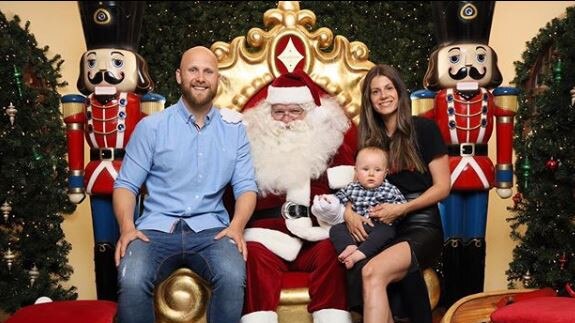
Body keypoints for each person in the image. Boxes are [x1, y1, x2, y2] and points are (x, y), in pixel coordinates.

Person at [112, 46, 258, 323]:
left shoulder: (235, 130)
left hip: (211, 231)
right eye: (193, 70)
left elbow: (246, 187)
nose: (200, 77)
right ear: (179, 76)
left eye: (208, 71)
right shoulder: (151, 127)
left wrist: (237, 227)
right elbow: (126, 185)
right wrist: (127, 227)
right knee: (131, 278)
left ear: (218, 79)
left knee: (232, 275)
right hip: (155, 229)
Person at [414, 1, 517, 305]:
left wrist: (504, 174)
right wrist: (424, 178)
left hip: (481, 170)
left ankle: (472, 297)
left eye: (479, 57)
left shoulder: (494, 96)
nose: (468, 65)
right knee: (449, 238)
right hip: (447, 169)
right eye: (456, 58)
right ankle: (449, 299)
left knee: (476, 238)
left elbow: (506, 132)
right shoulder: (433, 99)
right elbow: (422, 139)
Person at [61, 1, 163, 300]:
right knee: (103, 243)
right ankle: (107, 301)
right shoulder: (81, 103)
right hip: (97, 177)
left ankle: (134, 302)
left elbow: (155, 144)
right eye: (93, 63)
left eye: (116, 63)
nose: (103, 70)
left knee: (133, 238)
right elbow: (75, 137)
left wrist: (153, 181)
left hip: (131, 176)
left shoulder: (143, 103)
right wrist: (76, 179)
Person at [240, 71, 356, 323]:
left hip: (317, 233)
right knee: (253, 255)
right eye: (279, 112)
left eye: (295, 111)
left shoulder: (331, 144)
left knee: (332, 251)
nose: (286, 120)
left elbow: (351, 194)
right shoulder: (250, 145)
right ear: (267, 115)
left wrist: (334, 211)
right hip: (266, 235)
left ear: (310, 113)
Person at [345, 64, 450, 323]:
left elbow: (443, 187)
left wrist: (401, 209)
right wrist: (348, 213)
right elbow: (354, 187)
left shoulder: (424, 129)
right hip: (384, 228)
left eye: (389, 88)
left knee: (372, 272)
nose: (383, 96)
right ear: (369, 100)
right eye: (375, 92)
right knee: (360, 269)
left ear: (400, 92)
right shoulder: (369, 140)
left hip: (421, 225)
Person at [312, 146, 406, 269]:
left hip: (377, 226)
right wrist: (326, 199)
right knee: (336, 229)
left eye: (378, 170)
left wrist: (389, 209)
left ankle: (359, 254)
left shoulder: (390, 189)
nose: (371, 173)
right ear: (356, 171)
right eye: (365, 169)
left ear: (385, 173)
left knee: (387, 231)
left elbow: (401, 207)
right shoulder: (351, 188)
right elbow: (337, 199)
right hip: (354, 224)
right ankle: (349, 247)